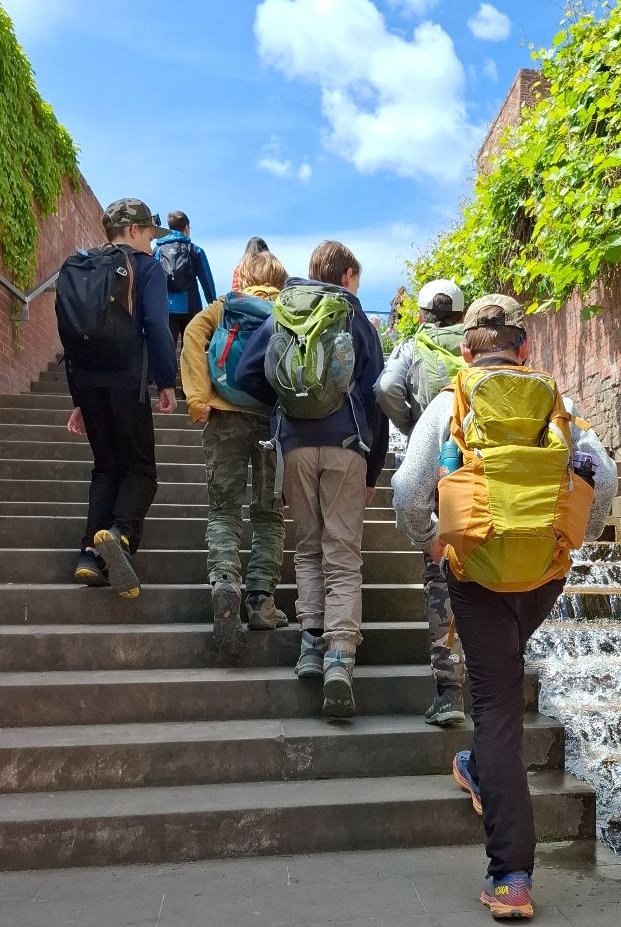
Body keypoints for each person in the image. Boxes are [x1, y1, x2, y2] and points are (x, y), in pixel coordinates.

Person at [392, 294, 616, 921]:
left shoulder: (450, 402)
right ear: (524, 348)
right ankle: (479, 766)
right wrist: (573, 538)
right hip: (542, 574)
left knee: (495, 707)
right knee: (502, 683)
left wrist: (431, 539)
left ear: (465, 351)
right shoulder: (555, 402)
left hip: (477, 574)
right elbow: (603, 476)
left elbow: (408, 491)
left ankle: (511, 876)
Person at [233, 240, 388, 720]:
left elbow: (246, 372)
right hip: (346, 445)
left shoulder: (285, 311)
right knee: (342, 551)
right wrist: (374, 467)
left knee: (307, 547)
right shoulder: (353, 316)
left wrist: (287, 401)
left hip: (294, 445)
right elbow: (378, 394)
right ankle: (340, 656)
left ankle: (309, 645)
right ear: (346, 276)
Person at [56, 197, 178, 598]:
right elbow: (157, 325)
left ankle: (89, 555)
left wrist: (78, 398)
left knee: (106, 468)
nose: (151, 243)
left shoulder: (82, 266)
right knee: (141, 469)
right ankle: (120, 534)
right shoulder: (147, 268)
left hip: (88, 382)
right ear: (133, 230)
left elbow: (70, 337)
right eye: (149, 235)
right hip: (128, 382)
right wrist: (166, 381)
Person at [180, 248, 289, 657]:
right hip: (273, 422)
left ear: (244, 278)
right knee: (269, 513)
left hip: (223, 415)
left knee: (224, 510)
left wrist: (197, 398)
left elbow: (193, 336)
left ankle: (225, 582)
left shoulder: (224, 306)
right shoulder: (289, 311)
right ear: (280, 281)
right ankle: (261, 601)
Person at [376, 278, 468, 727]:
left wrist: (414, 427)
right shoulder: (475, 348)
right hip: (481, 470)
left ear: (422, 314)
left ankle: (449, 692)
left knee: (439, 571)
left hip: (434, 466)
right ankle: (492, 683)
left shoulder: (413, 346)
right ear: (462, 315)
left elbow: (385, 388)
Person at [153, 212, 217, 365]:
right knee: (190, 353)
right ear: (186, 228)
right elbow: (206, 281)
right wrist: (213, 304)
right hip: (191, 308)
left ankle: (165, 379)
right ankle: (187, 381)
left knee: (166, 352)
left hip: (166, 309)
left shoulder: (157, 250)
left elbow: (152, 280)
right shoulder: (195, 250)